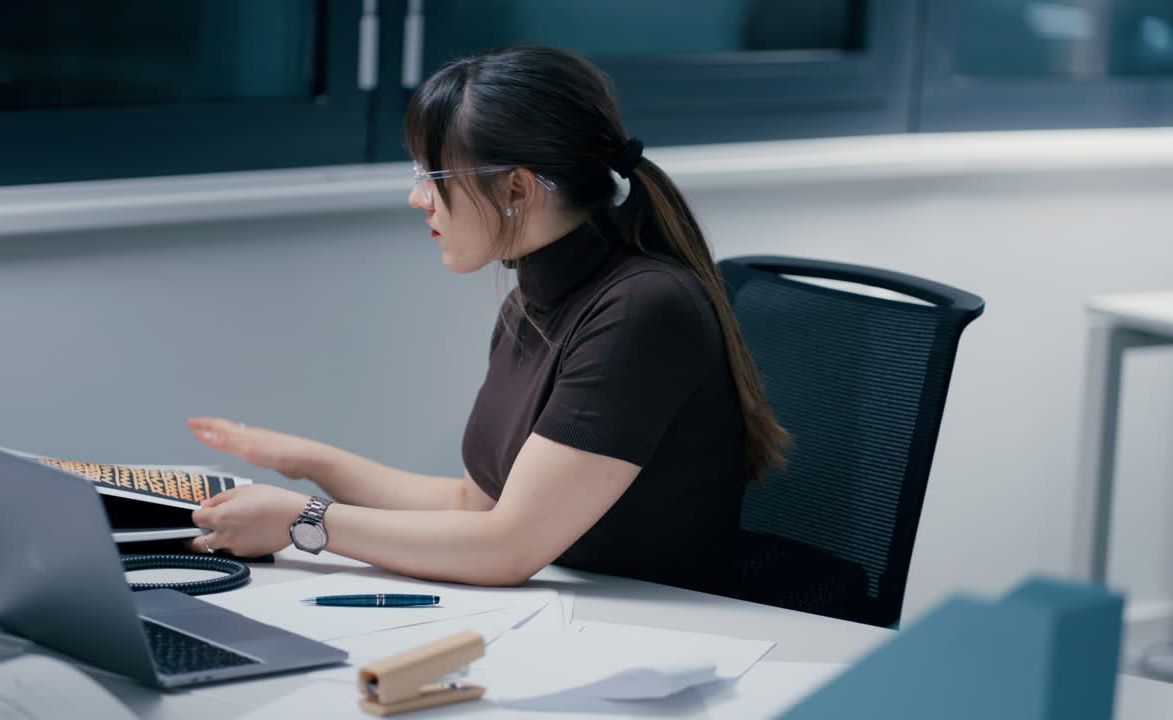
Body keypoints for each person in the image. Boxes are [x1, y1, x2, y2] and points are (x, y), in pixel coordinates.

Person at [185, 45, 787, 596]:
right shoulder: (533, 300)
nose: (417, 198)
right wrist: (312, 463)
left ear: (517, 189)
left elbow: (506, 548)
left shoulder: (642, 309)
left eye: (432, 175)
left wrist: (301, 521)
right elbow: (475, 505)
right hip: (578, 606)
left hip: (666, 629)